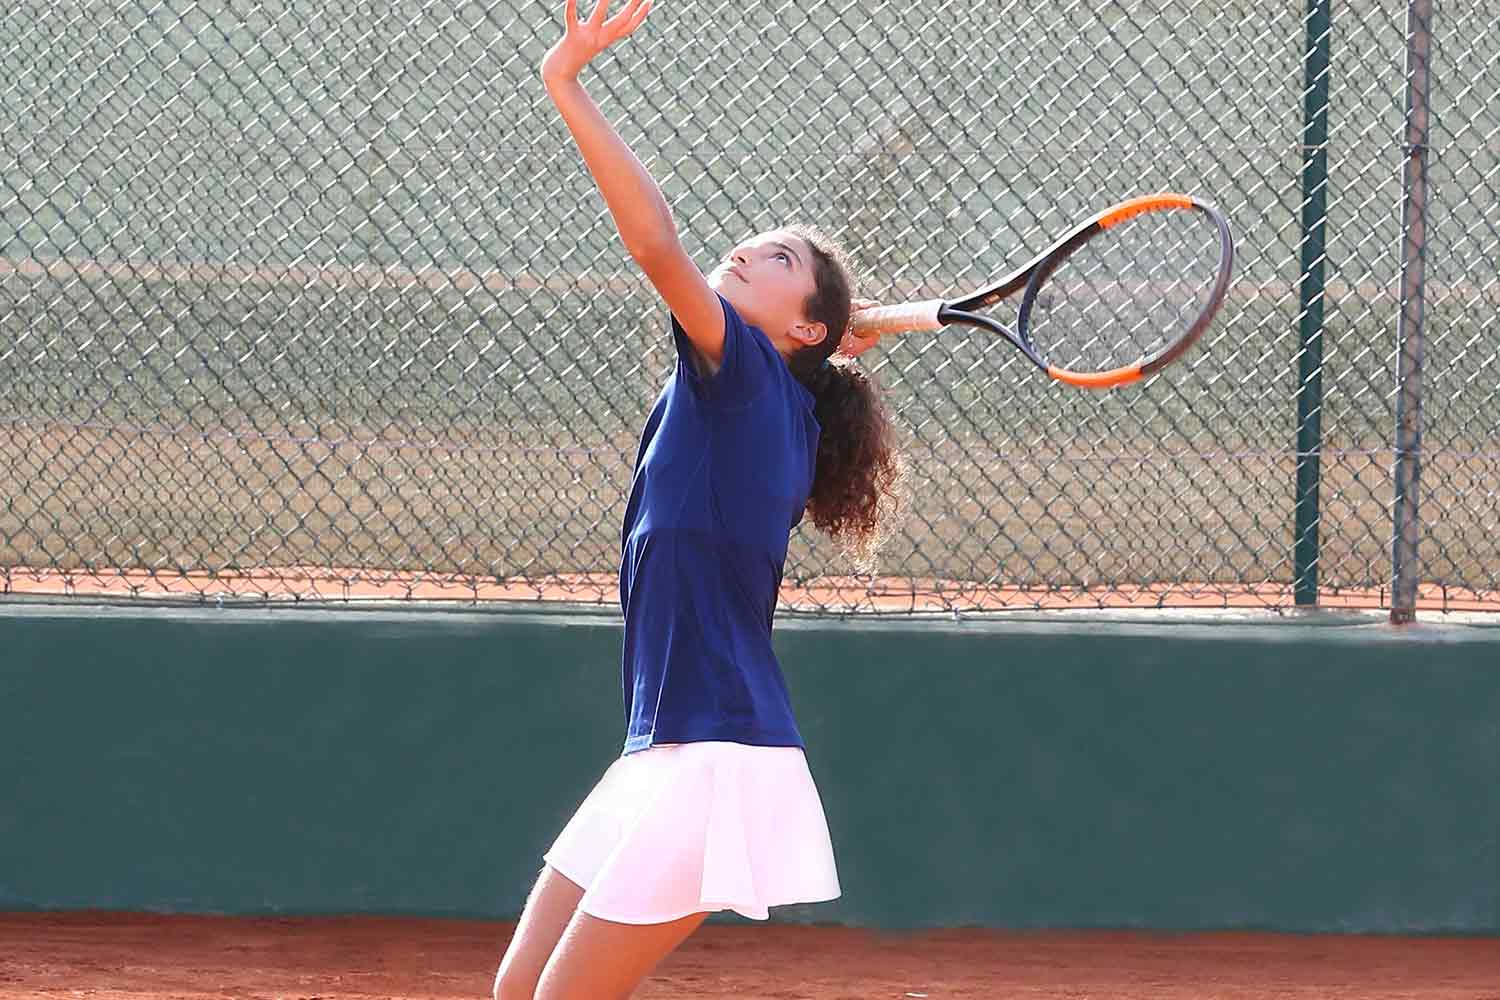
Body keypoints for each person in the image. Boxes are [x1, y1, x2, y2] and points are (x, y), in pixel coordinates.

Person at [494, 2, 901, 997]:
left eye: (781, 261)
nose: (752, 253)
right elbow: (789, 353)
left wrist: (567, 83)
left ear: (802, 328)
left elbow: (653, 245)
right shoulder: (776, 399)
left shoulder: (750, 380)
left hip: (717, 754)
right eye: (760, 243)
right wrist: (827, 333)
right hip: (670, 744)